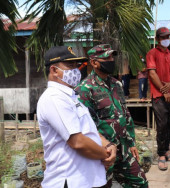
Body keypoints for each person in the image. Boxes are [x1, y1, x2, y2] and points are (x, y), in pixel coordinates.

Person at [37, 46, 116, 188]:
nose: (75, 70)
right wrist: (105, 154)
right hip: (70, 181)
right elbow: (77, 142)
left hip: (87, 179)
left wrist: (108, 145)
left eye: (76, 65)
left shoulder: (71, 97)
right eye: (69, 66)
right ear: (54, 70)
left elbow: (88, 130)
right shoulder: (54, 98)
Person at [75, 44, 148, 187]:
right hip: (103, 152)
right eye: (106, 58)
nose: (111, 60)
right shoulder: (85, 89)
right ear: (94, 63)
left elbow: (125, 114)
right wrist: (100, 149)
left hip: (123, 149)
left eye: (111, 57)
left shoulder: (116, 84)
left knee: (140, 182)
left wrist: (131, 142)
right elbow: (86, 125)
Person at [146, 27, 170, 171]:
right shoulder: (152, 53)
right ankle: (161, 154)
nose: (167, 39)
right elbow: (152, 74)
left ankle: (165, 150)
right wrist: (163, 91)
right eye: (164, 37)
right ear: (158, 39)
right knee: (162, 125)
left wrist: (169, 86)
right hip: (158, 96)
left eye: (168, 37)